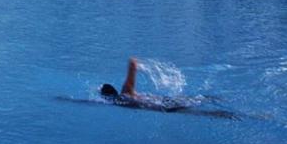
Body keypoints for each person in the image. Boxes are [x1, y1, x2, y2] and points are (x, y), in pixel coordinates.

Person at [99, 58, 235, 117]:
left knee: (200, 113)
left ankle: (224, 114)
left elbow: (130, 81)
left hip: (162, 107)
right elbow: (132, 70)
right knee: (200, 99)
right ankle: (221, 101)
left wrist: (132, 67)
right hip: (164, 101)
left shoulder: (123, 98)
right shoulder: (124, 96)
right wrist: (132, 65)